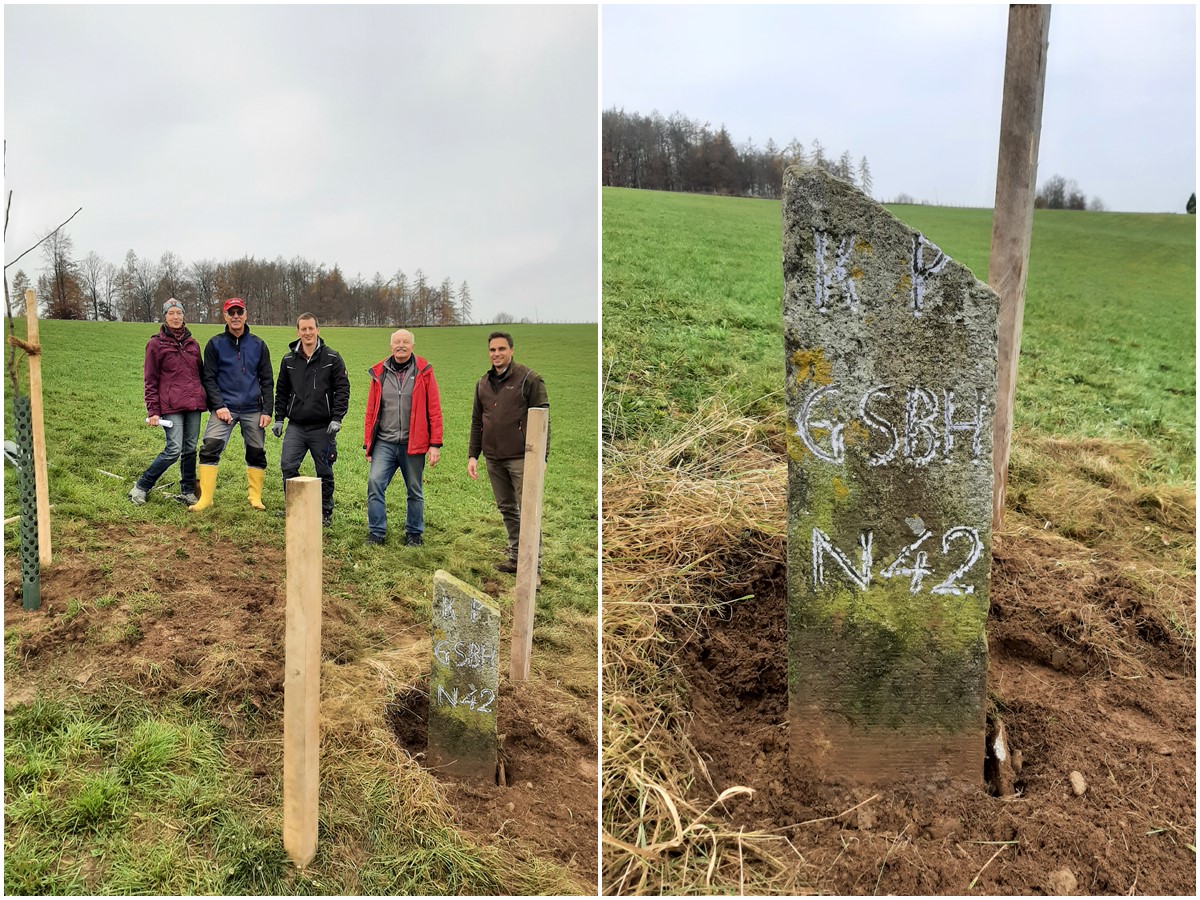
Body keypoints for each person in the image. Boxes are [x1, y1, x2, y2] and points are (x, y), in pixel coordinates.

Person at [467, 331, 549, 573]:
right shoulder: (483, 383)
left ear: (512, 350)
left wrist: (542, 457)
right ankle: (516, 557)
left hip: (522, 458)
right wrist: (474, 455)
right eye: (492, 350)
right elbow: (476, 421)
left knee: (528, 510)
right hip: (494, 458)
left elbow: (544, 421)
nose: (497, 354)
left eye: (501, 349)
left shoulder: (530, 380)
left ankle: (533, 567)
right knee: (507, 509)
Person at [189, 297, 274, 511]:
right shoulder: (215, 344)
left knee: (256, 451)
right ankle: (205, 499)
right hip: (224, 408)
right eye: (231, 313)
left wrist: (267, 410)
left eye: (239, 312)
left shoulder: (258, 344)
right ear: (225, 316)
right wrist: (219, 406)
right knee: (210, 447)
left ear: (246, 315)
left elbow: (267, 380)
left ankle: (255, 498)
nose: (236, 316)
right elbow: (208, 378)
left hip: (253, 409)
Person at [362, 329, 443, 546]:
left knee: (414, 490)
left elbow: (434, 408)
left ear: (412, 346)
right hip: (384, 443)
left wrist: (435, 444)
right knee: (375, 483)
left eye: (405, 342)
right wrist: (368, 444)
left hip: (413, 443)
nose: (401, 345)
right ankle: (376, 532)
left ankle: (414, 533)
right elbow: (371, 410)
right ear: (391, 346)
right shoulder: (380, 372)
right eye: (397, 342)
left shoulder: (424, 371)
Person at [272, 313, 350, 526]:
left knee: (324, 470)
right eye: (303, 329)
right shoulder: (288, 360)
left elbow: (343, 389)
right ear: (298, 332)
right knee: (288, 466)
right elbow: (282, 391)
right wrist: (279, 418)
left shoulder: (332, 358)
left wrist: (337, 418)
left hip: (323, 428)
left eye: (311, 328)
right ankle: (294, 507)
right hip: (296, 426)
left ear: (318, 329)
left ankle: (324, 512)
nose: (307, 333)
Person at [129, 298, 207, 506]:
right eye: (171, 313)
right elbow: (150, 379)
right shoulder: (156, 344)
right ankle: (141, 486)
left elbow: (200, 374)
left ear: (183, 316)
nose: (175, 317)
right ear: (164, 317)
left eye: (178, 313)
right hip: (171, 405)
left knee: (190, 448)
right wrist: (153, 410)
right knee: (173, 449)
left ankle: (187, 491)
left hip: (193, 404)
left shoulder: (193, 343)